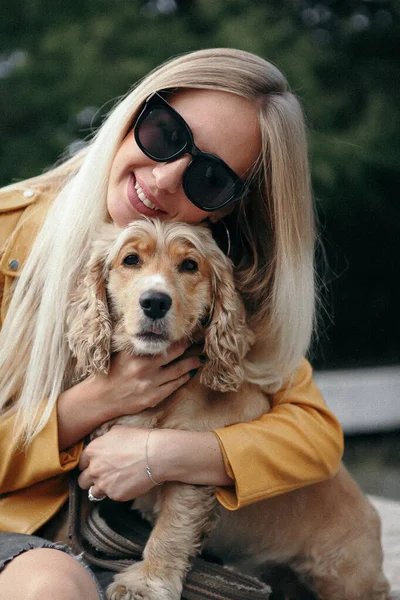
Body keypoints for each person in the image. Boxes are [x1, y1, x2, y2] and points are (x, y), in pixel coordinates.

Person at [0, 48, 343, 599]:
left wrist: (176, 455)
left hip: (139, 536)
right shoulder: (7, 237)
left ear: (224, 209)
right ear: (136, 113)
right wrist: (94, 403)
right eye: (165, 134)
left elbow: (314, 434)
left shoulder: (210, 271)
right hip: (21, 525)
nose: (162, 181)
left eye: (208, 180)